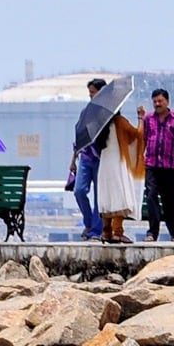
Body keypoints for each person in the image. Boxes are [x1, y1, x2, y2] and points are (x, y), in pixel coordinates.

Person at [138, 88, 174, 242]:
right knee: (151, 196)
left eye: (160, 101)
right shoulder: (148, 119)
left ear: (167, 101)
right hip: (152, 165)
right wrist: (141, 156)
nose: (157, 104)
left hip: (169, 166)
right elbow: (143, 139)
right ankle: (152, 232)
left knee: (170, 201)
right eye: (154, 101)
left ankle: (173, 232)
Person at [95, 110, 145, 244]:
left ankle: (106, 232)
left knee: (107, 198)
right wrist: (141, 118)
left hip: (105, 165)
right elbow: (137, 135)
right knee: (120, 197)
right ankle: (117, 232)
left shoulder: (100, 125)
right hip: (118, 163)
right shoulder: (120, 121)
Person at [68, 78, 108, 241]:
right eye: (90, 93)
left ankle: (96, 230)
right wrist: (73, 159)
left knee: (100, 196)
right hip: (85, 157)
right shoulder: (86, 112)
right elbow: (80, 136)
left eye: (93, 92)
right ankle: (89, 222)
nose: (91, 96)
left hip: (101, 159)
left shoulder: (107, 114)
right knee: (79, 191)